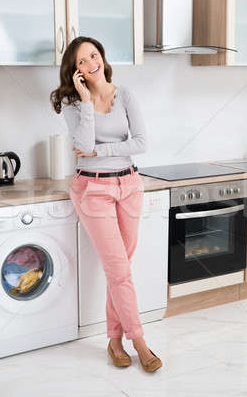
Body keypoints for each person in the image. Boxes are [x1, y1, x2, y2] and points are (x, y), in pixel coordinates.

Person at [50, 36, 162, 372]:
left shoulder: (125, 94)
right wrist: (85, 102)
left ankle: (114, 340)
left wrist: (101, 151)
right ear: (75, 71)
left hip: (129, 184)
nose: (90, 63)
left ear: (103, 57)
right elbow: (81, 143)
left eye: (94, 55)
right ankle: (140, 342)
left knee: (121, 270)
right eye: (81, 61)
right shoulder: (71, 104)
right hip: (93, 189)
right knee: (119, 271)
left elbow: (141, 143)